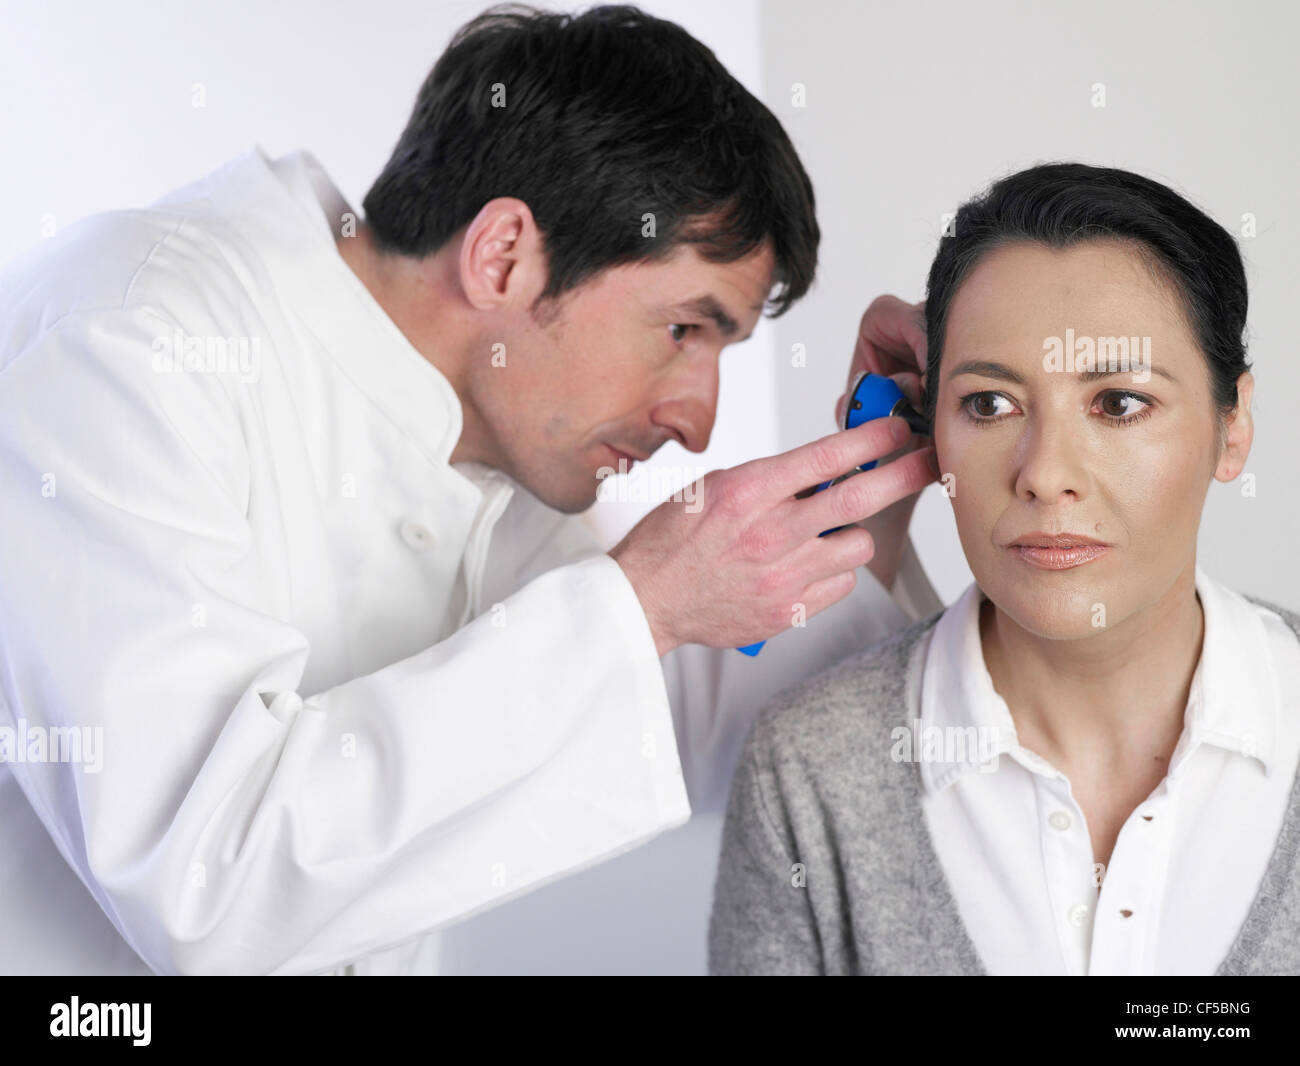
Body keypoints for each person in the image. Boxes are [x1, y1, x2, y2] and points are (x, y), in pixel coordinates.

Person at [0, 4, 939, 975]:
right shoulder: (122, 345)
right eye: (683, 330)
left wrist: (876, 487)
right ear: (502, 255)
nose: (696, 419)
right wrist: (642, 602)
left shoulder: (481, 443)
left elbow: (709, 718)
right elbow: (206, 884)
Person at [709, 162, 1300, 976]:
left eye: (1119, 403)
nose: (1045, 473)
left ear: (1232, 430)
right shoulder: (809, 769)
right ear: (929, 428)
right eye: (989, 404)